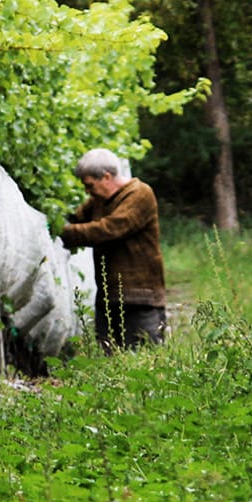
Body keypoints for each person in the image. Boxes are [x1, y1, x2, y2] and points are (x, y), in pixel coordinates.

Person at [59, 148, 167, 351]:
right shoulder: (99, 200)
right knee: (111, 356)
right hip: (109, 295)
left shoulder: (139, 194)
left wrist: (64, 232)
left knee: (146, 356)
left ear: (106, 177)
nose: (87, 191)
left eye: (90, 185)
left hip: (140, 296)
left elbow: (110, 228)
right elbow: (75, 219)